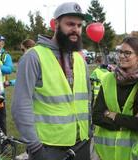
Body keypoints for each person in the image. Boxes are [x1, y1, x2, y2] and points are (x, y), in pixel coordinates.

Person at [11, 2, 92, 160]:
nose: (75, 29)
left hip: (81, 144)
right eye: (70, 24)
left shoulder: (80, 59)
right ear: (55, 24)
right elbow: (20, 106)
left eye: (79, 25)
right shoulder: (33, 57)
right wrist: (35, 147)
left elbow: (87, 99)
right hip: (48, 148)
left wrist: (88, 132)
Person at [92, 36, 138, 160]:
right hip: (105, 154)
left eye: (127, 53)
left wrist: (113, 116)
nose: (121, 56)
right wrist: (127, 122)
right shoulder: (108, 79)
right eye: (120, 52)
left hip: (132, 154)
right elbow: (97, 116)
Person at [14, 39, 35, 160]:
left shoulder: (27, 58)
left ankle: (29, 152)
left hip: (30, 99)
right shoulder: (40, 57)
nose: (22, 53)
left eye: (22, 50)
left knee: (30, 126)